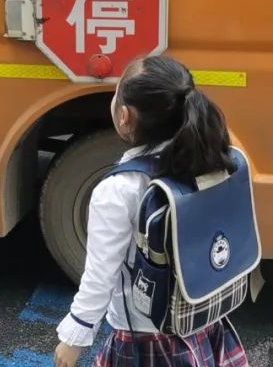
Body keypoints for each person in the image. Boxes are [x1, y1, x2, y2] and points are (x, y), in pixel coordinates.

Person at [53, 56, 249, 367]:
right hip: (201, 316)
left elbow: (100, 275)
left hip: (147, 338)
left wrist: (74, 337)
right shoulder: (208, 157)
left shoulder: (119, 189)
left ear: (125, 116)